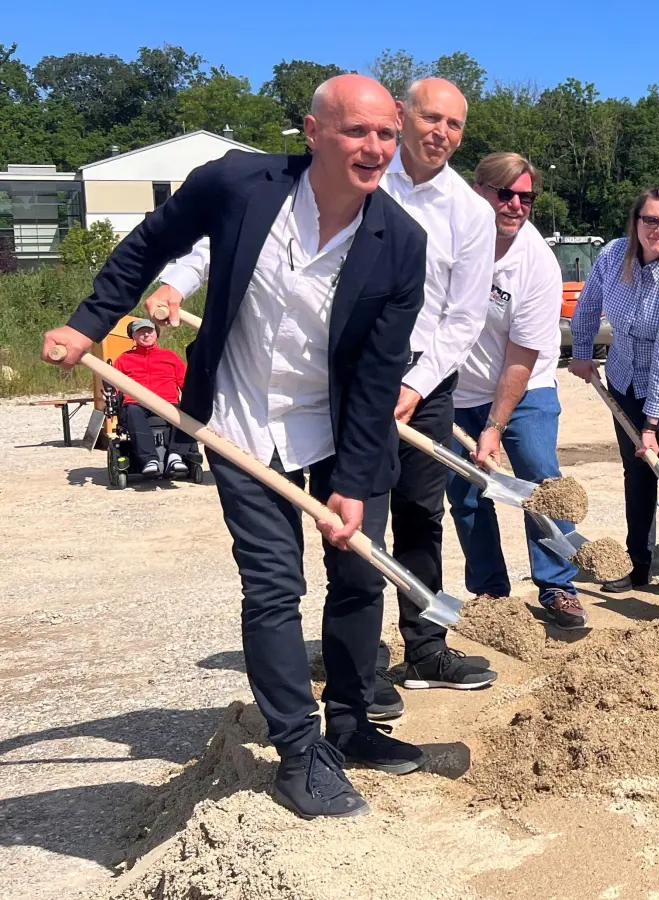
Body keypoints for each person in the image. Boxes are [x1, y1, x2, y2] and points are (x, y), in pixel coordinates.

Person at [43, 74, 430, 818]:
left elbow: (381, 370)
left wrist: (351, 481)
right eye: (357, 131)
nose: (375, 149)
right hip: (240, 419)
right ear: (313, 132)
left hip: (345, 423)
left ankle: (351, 723)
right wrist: (90, 324)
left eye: (386, 134)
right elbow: (150, 243)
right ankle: (299, 751)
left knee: (357, 579)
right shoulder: (239, 185)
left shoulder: (398, 244)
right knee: (272, 585)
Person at [152, 77, 499, 716]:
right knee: (355, 532)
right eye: (428, 118)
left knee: (419, 519)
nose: (439, 133)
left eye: (454, 124)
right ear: (403, 115)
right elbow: (233, 240)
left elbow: (465, 317)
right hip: (337, 382)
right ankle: (362, 676)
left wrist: (415, 384)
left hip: (423, 381)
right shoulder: (354, 169)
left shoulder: (471, 213)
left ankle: (424, 644)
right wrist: (175, 279)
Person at [448, 152, 587, 631]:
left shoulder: (537, 264)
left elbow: (521, 357)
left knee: (542, 486)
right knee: (465, 494)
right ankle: (490, 592)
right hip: (453, 389)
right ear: (479, 190)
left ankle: (558, 586)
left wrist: (494, 427)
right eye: (505, 194)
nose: (515, 205)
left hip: (525, 386)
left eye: (526, 197)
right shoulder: (450, 239)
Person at [567, 187, 659, 610]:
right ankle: (638, 563)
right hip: (626, 374)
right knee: (638, 471)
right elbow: (588, 306)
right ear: (636, 221)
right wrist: (581, 352)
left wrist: (651, 425)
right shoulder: (613, 257)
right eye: (651, 220)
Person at [112, 317, 196, 476]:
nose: (146, 334)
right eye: (140, 332)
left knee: (188, 413)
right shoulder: (124, 359)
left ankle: (175, 456)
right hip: (136, 404)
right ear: (133, 336)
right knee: (132, 411)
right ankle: (149, 460)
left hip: (168, 402)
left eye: (149, 331)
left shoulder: (170, 356)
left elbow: (185, 382)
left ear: (156, 334)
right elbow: (113, 384)